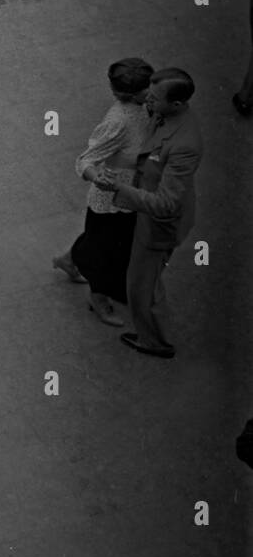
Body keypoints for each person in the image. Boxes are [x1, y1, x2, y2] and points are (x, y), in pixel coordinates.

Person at [93, 68, 203, 358]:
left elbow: (167, 204)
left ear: (177, 104)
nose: (146, 102)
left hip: (157, 225)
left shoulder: (184, 145)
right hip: (145, 210)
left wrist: (119, 188)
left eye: (154, 99)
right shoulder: (169, 116)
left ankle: (153, 341)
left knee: (143, 285)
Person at [52, 57, 155, 327]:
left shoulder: (147, 108)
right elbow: (85, 159)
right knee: (107, 250)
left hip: (134, 191)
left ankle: (68, 260)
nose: (153, 91)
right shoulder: (117, 122)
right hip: (112, 198)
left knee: (102, 240)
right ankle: (98, 298)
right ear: (131, 93)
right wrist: (98, 177)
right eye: (148, 88)